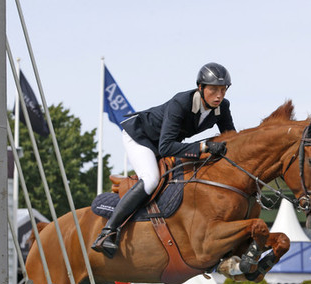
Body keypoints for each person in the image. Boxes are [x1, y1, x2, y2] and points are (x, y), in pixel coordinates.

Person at [92, 63, 235, 258]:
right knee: (151, 179)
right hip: (140, 138)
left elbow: (231, 137)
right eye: (213, 90)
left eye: (223, 89)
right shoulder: (181, 103)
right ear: (200, 88)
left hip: (165, 142)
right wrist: (204, 147)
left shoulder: (222, 107)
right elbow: (166, 147)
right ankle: (107, 232)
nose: (219, 95)